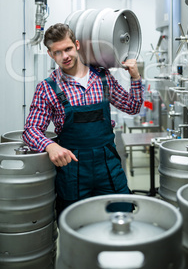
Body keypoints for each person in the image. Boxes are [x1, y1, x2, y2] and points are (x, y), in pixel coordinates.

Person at [22, 23, 143, 217]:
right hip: (73, 170)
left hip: (108, 166)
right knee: (76, 222)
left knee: (122, 214)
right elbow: (31, 130)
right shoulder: (47, 88)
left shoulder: (103, 78)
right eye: (58, 52)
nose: (65, 56)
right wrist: (49, 146)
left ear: (76, 45)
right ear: (51, 55)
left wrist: (135, 78)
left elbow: (132, 107)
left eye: (68, 48)